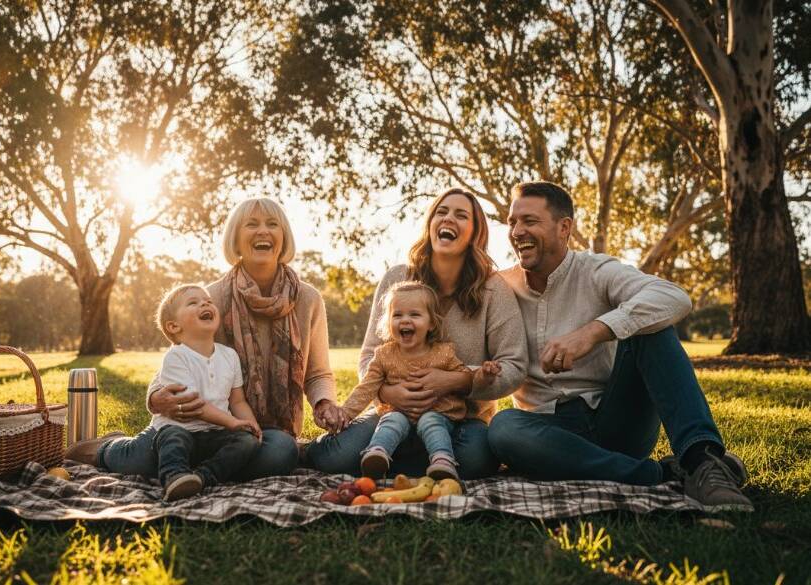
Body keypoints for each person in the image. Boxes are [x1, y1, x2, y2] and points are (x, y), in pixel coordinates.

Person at [488, 181, 751, 511]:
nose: (517, 231)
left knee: (651, 325)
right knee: (503, 428)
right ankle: (663, 473)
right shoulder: (500, 287)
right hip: (549, 433)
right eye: (512, 222)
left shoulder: (596, 270)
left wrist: (594, 332)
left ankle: (702, 459)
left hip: (616, 418)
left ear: (564, 227)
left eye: (530, 221)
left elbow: (674, 298)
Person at [66, 197, 341, 479]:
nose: (263, 231)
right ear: (236, 238)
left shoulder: (308, 299)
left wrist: (324, 403)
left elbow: (318, 372)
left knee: (282, 452)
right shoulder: (211, 299)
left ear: (284, 237)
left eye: (273, 224)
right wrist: (155, 398)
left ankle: (200, 471)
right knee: (150, 459)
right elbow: (179, 358)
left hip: (259, 432)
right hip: (193, 424)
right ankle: (105, 448)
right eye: (252, 224)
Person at [306, 188, 528, 479]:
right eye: (442, 212)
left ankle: (408, 457)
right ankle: (395, 455)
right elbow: (370, 356)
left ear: (475, 233)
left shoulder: (492, 290)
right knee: (334, 458)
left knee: (476, 461)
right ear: (430, 223)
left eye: (461, 215)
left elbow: (514, 367)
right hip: (394, 413)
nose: (449, 218)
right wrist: (388, 391)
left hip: (459, 417)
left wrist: (457, 380)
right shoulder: (398, 278)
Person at [328, 281, 501, 480]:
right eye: (397, 315)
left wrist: (484, 375)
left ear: (432, 324)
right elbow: (367, 387)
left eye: (415, 314)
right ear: (388, 322)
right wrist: (346, 413)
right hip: (399, 412)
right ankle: (376, 454)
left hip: (439, 413)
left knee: (431, 421)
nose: (405, 320)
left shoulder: (443, 354)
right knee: (391, 420)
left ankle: (442, 461)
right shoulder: (384, 355)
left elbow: (464, 378)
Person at [150, 284, 261, 501]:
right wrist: (231, 422)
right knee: (172, 438)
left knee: (246, 442)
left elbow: (237, 401)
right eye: (193, 302)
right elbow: (196, 406)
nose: (205, 303)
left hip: (215, 434)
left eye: (208, 300)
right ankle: (175, 476)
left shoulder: (229, 356)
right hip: (182, 429)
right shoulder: (176, 357)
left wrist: (250, 424)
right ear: (173, 326)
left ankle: (201, 478)